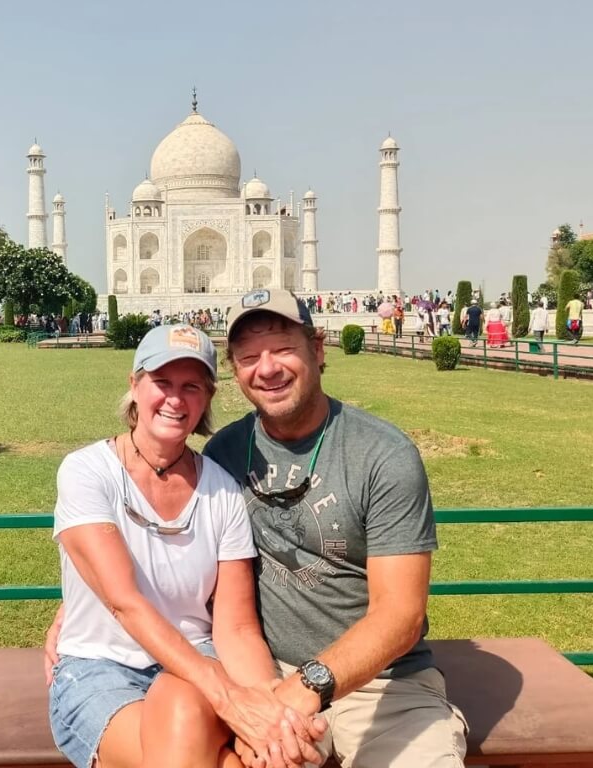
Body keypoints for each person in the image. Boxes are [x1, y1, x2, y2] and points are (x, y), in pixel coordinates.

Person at [49, 290, 467, 768]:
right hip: (269, 675)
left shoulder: (379, 455)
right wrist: (79, 602)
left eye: (283, 349)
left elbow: (400, 615)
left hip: (382, 685)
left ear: (318, 349)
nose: (267, 368)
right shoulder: (228, 455)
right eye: (249, 357)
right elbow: (131, 582)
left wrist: (287, 696)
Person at [48, 323, 324, 768]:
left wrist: (268, 702)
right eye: (162, 382)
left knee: (185, 711)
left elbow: (236, 627)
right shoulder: (87, 472)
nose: (175, 399)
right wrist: (229, 698)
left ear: (207, 398)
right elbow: (123, 602)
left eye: (191, 386)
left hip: (197, 663)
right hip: (101, 668)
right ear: (134, 385)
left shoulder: (222, 489)